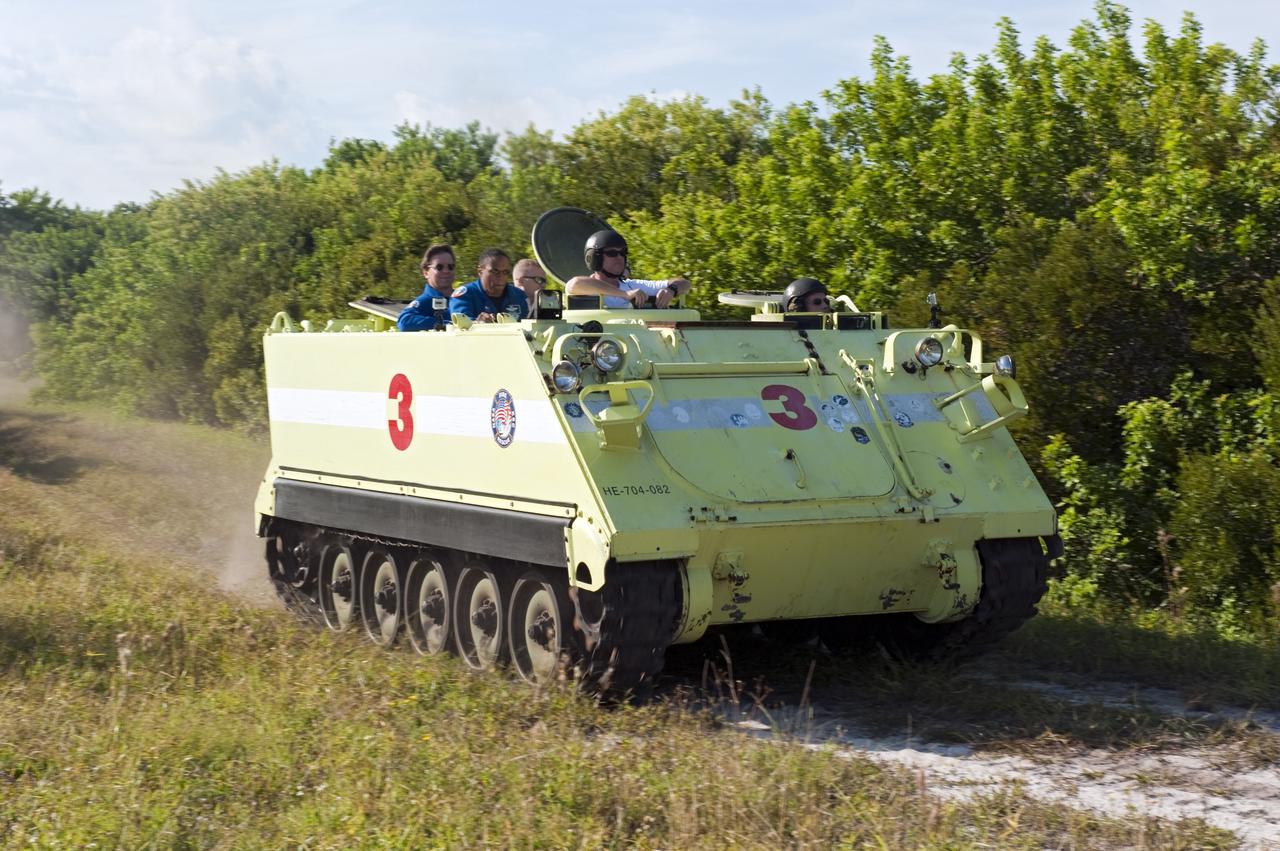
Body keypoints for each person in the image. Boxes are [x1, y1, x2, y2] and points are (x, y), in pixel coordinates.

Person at [564, 229, 691, 308]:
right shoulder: (586, 288)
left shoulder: (634, 286)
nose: (619, 257)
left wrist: (671, 290)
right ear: (594, 258)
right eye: (612, 253)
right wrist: (624, 294)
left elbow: (685, 283)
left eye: (623, 253)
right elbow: (574, 284)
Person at [448, 248, 528, 322]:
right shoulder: (464, 295)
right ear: (480, 271)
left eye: (505, 272)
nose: (501, 277)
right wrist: (477, 323)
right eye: (495, 271)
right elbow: (462, 325)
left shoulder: (519, 296)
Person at [397, 244, 459, 331]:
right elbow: (404, 321)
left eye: (450, 267)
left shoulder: (464, 298)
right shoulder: (424, 301)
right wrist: (446, 325)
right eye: (439, 267)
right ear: (426, 272)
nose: (446, 271)